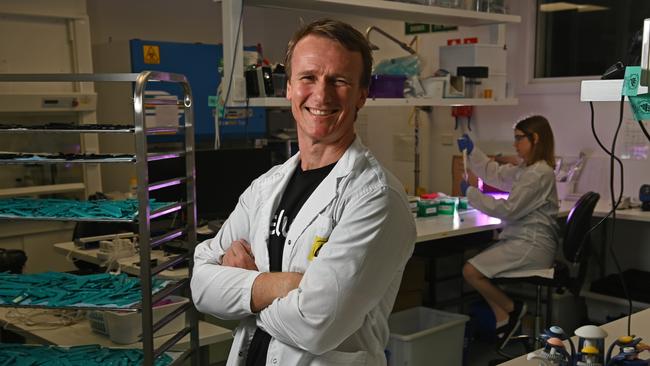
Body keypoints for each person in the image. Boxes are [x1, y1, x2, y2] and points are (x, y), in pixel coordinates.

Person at [191, 18, 416, 366]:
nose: (321, 94)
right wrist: (283, 286)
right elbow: (202, 287)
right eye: (308, 77)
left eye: (339, 81)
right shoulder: (266, 188)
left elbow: (317, 325)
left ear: (361, 95)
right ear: (289, 88)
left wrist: (243, 289)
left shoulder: (376, 197)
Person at [457, 115, 560, 349]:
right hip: (524, 241)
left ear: (535, 139)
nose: (515, 145)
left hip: (531, 245)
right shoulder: (529, 170)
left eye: (519, 139)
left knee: (471, 270)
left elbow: (510, 210)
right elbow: (498, 174)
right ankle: (505, 315)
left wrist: (471, 194)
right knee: (473, 267)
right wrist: (474, 152)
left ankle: (511, 309)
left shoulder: (539, 174)